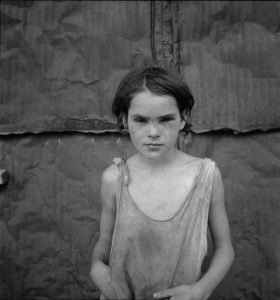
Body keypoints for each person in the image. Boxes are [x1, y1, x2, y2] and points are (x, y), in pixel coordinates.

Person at [89, 66, 234, 300]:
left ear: (183, 118)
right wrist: (96, 267)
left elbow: (225, 248)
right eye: (141, 120)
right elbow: (104, 245)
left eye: (165, 119)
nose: (153, 132)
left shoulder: (206, 176)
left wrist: (201, 289)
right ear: (124, 120)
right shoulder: (114, 179)